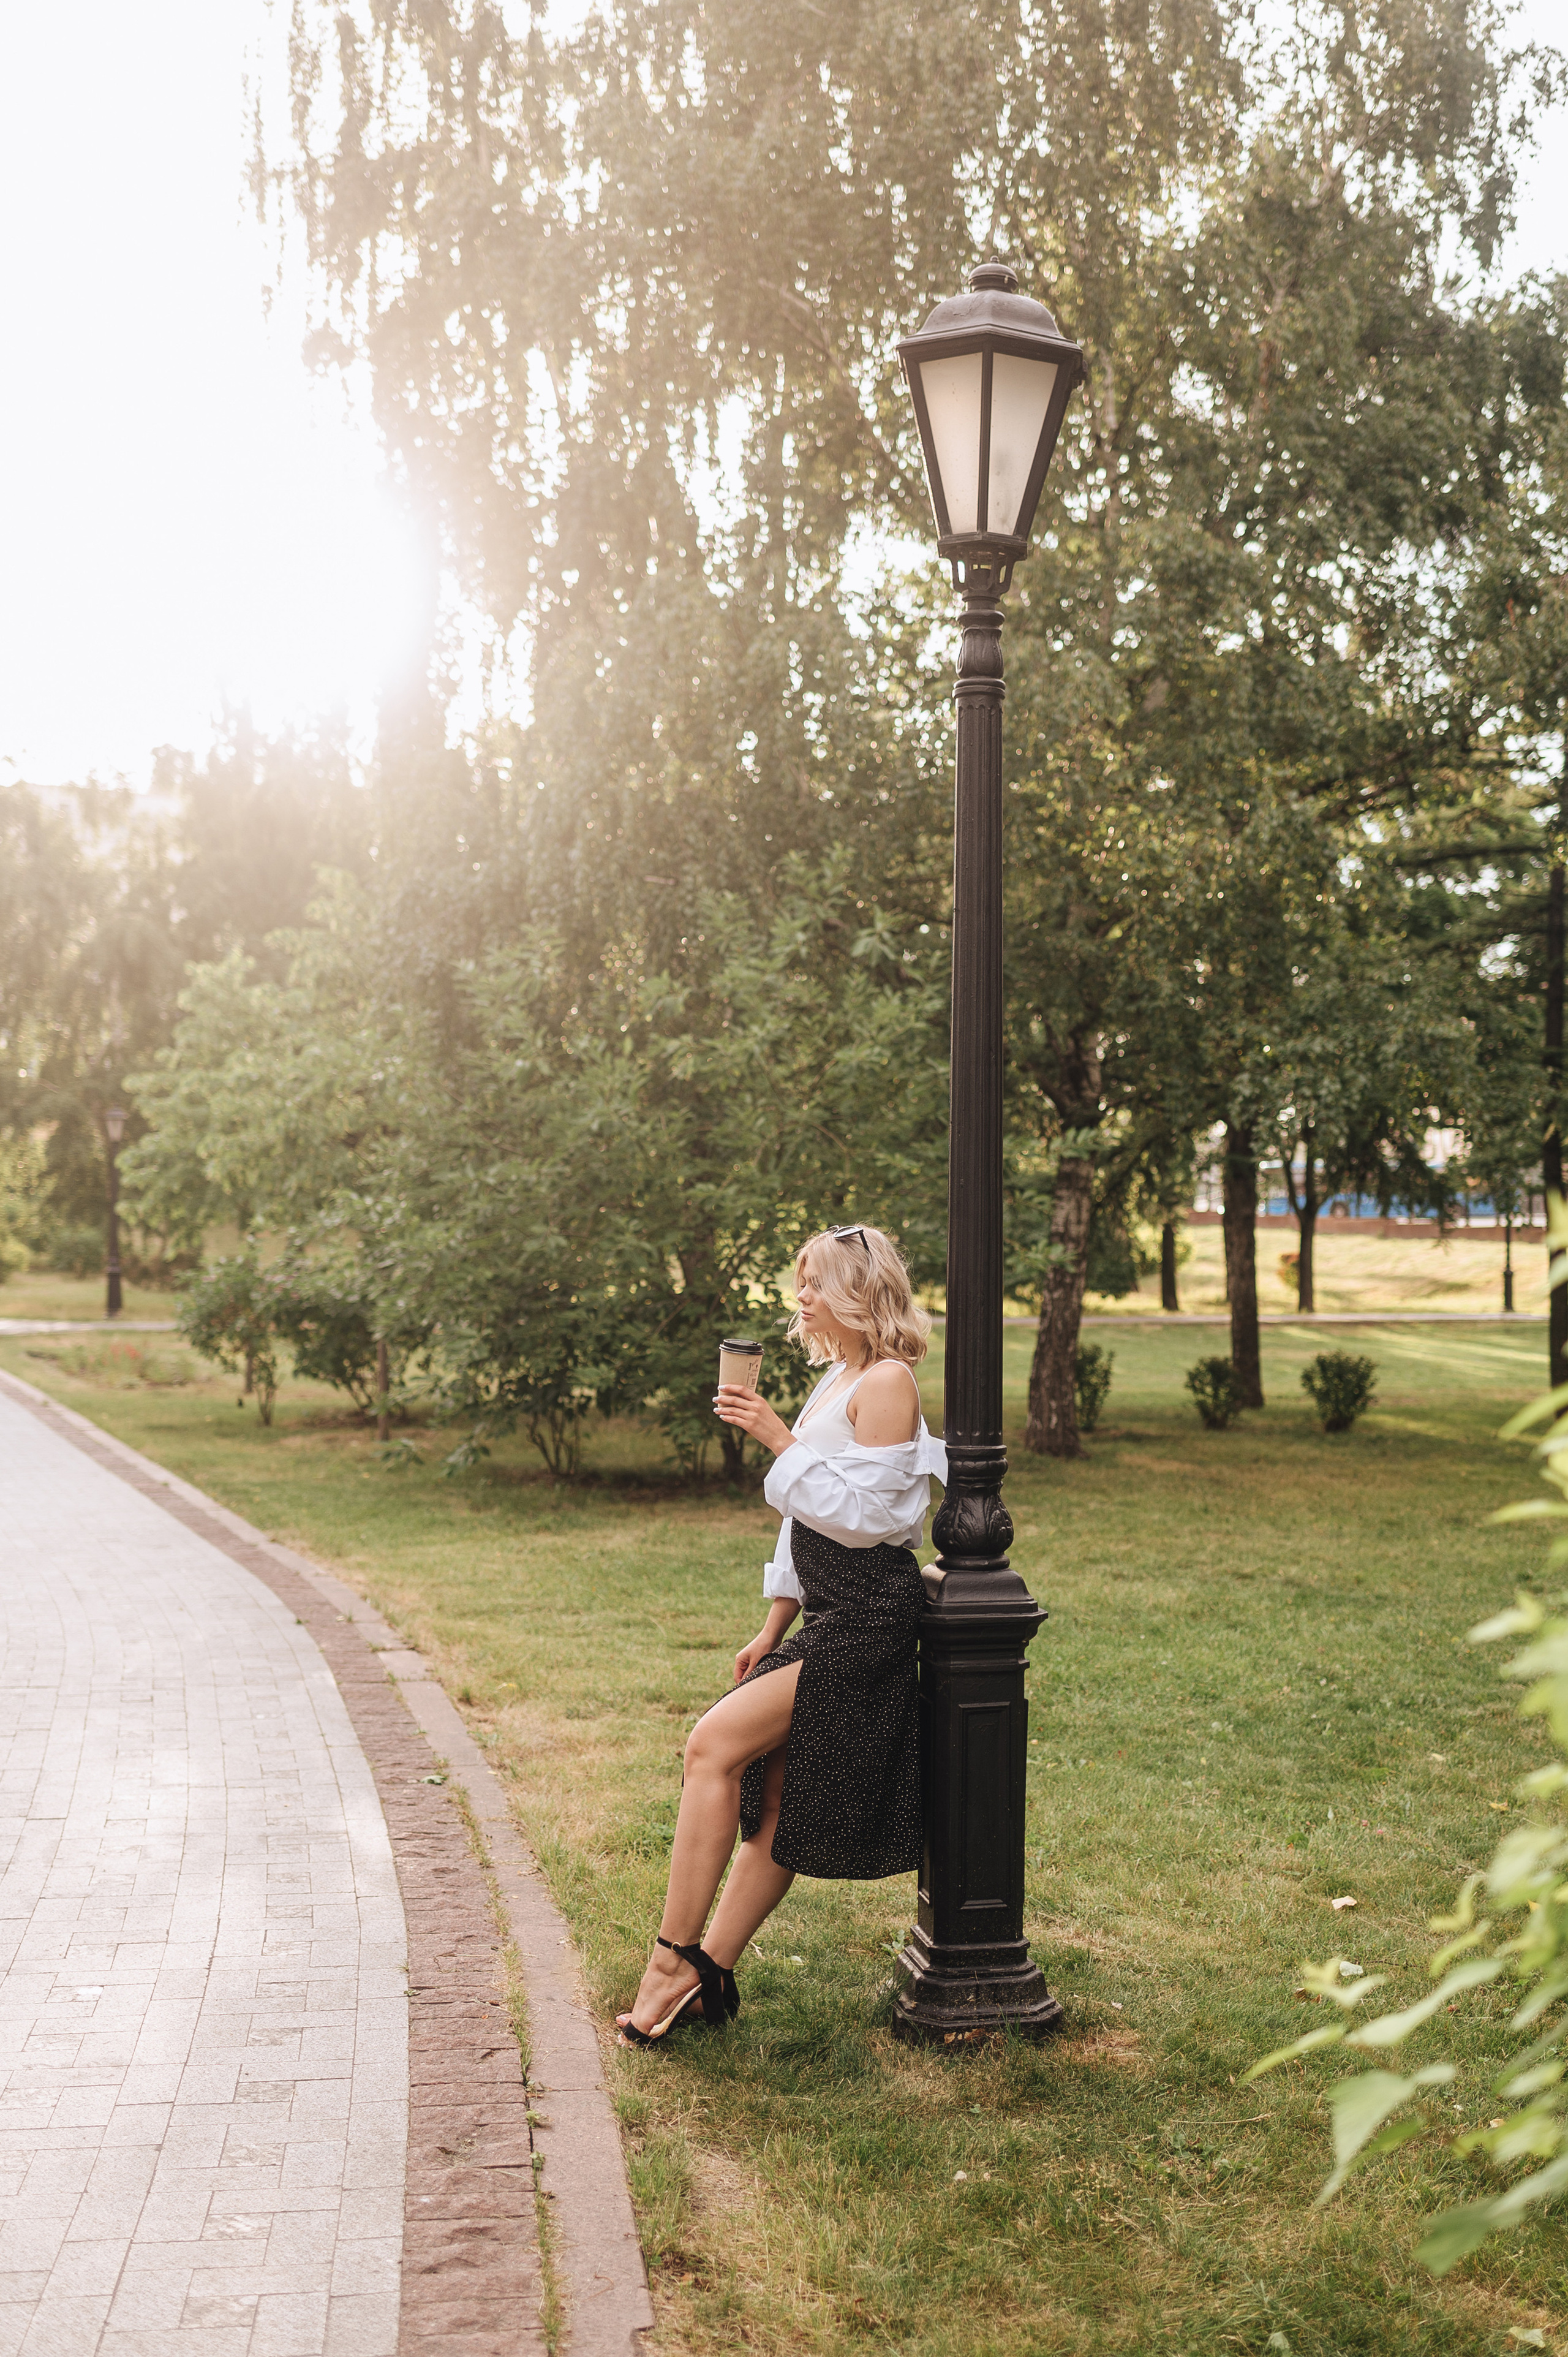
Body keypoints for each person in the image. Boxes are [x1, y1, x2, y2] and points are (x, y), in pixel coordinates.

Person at [617, 1224, 945, 2045]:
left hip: (869, 1611)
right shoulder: (839, 1379)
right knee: (775, 1802)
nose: (800, 1298)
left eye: (815, 1283)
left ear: (860, 1294)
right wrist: (774, 1623)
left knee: (712, 1747)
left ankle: (671, 1961)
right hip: (829, 1609)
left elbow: (870, 1522)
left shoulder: (889, 1382)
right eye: (799, 1282)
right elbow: (806, 1518)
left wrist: (775, 1438)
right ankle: (707, 1975)